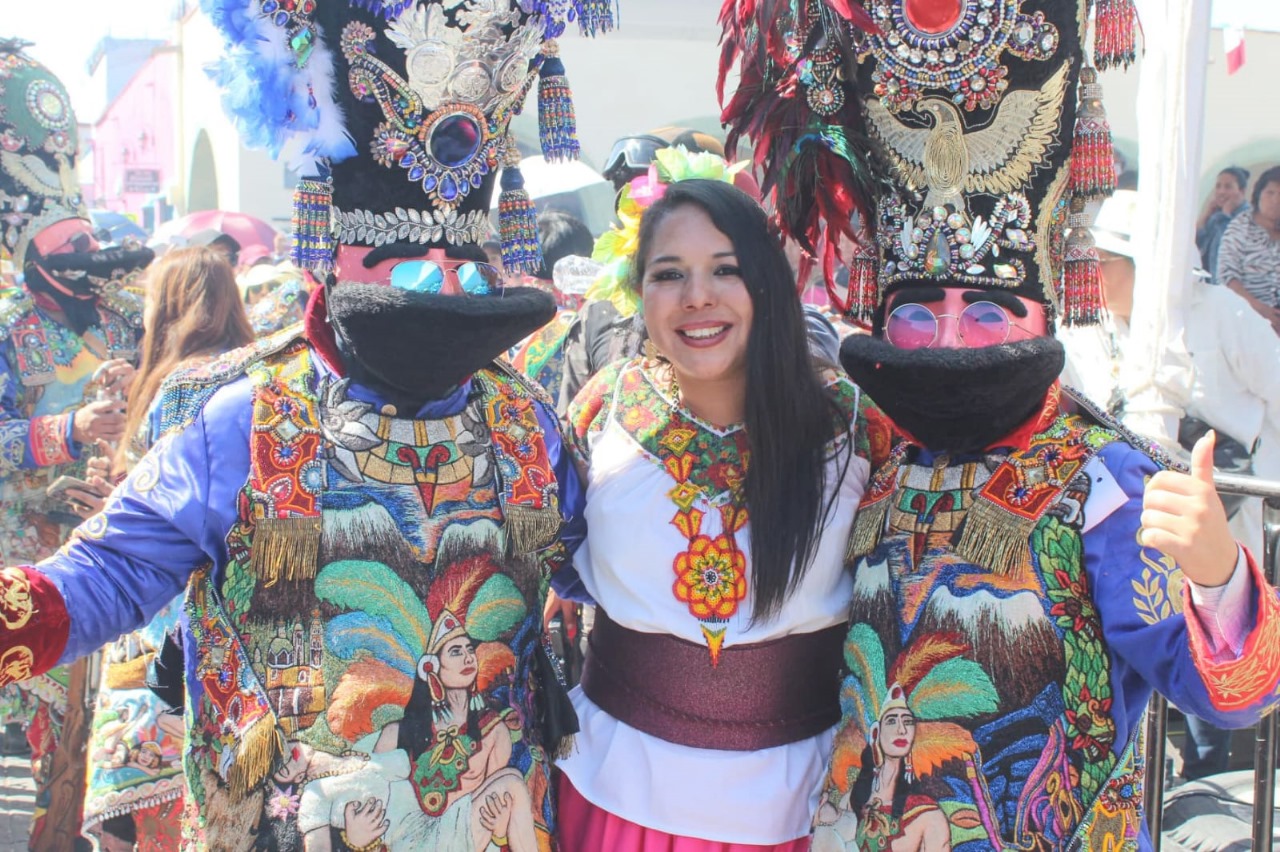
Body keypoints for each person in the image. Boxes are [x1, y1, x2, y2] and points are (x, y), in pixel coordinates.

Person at [0, 2, 611, 848]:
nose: (437, 288)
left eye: (460, 275)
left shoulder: (527, 424)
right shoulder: (245, 416)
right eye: (407, 271)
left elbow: (618, 575)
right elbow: (111, 576)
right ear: (332, 256)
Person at [719, 2, 1280, 850]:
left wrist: (1216, 575)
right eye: (916, 314)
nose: (947, 338)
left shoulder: (1105, 482)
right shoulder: (875, 454)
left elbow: (1230, 696)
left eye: (986, 311)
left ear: (1045, 313)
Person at [554, 178, 878, 850]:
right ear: (639, 292)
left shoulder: (853, 426)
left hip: (803, 803)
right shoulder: (603, 408)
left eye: (724, 270)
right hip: (618, 792)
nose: (696, 296)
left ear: (767, 283)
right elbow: (554, 556)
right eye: (668, 274)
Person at [0, 40, 154, 848]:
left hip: (124, 538)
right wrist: (65, 431)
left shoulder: (128, 318)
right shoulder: (5, 333)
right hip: (29, 552)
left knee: (113, 729)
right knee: (41, 733)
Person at [81, 246, 255, 849]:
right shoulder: (259, 372)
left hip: (167, 606)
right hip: (243, 609)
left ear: (169, 306)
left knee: (145, 798)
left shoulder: (181, 382)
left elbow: (156, 507)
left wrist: (110, 498)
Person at [1217, 165, 1280, 331]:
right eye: (1270, 193)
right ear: (1258, 195)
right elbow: (1226, 276)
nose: (1276, 200)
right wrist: (1259, 308)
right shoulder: (1240, 227)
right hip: (1246, 321)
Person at [1195, 166, 1250, 284]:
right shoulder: (1216, 216)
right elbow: (1195, 244)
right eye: (1218, 186)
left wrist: (1226, 215)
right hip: (1208, 286)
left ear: (1242, 191)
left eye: (1228, 187)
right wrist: (1206, 215)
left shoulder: (1249, 218)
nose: (1221, 191)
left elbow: (1227, 249)